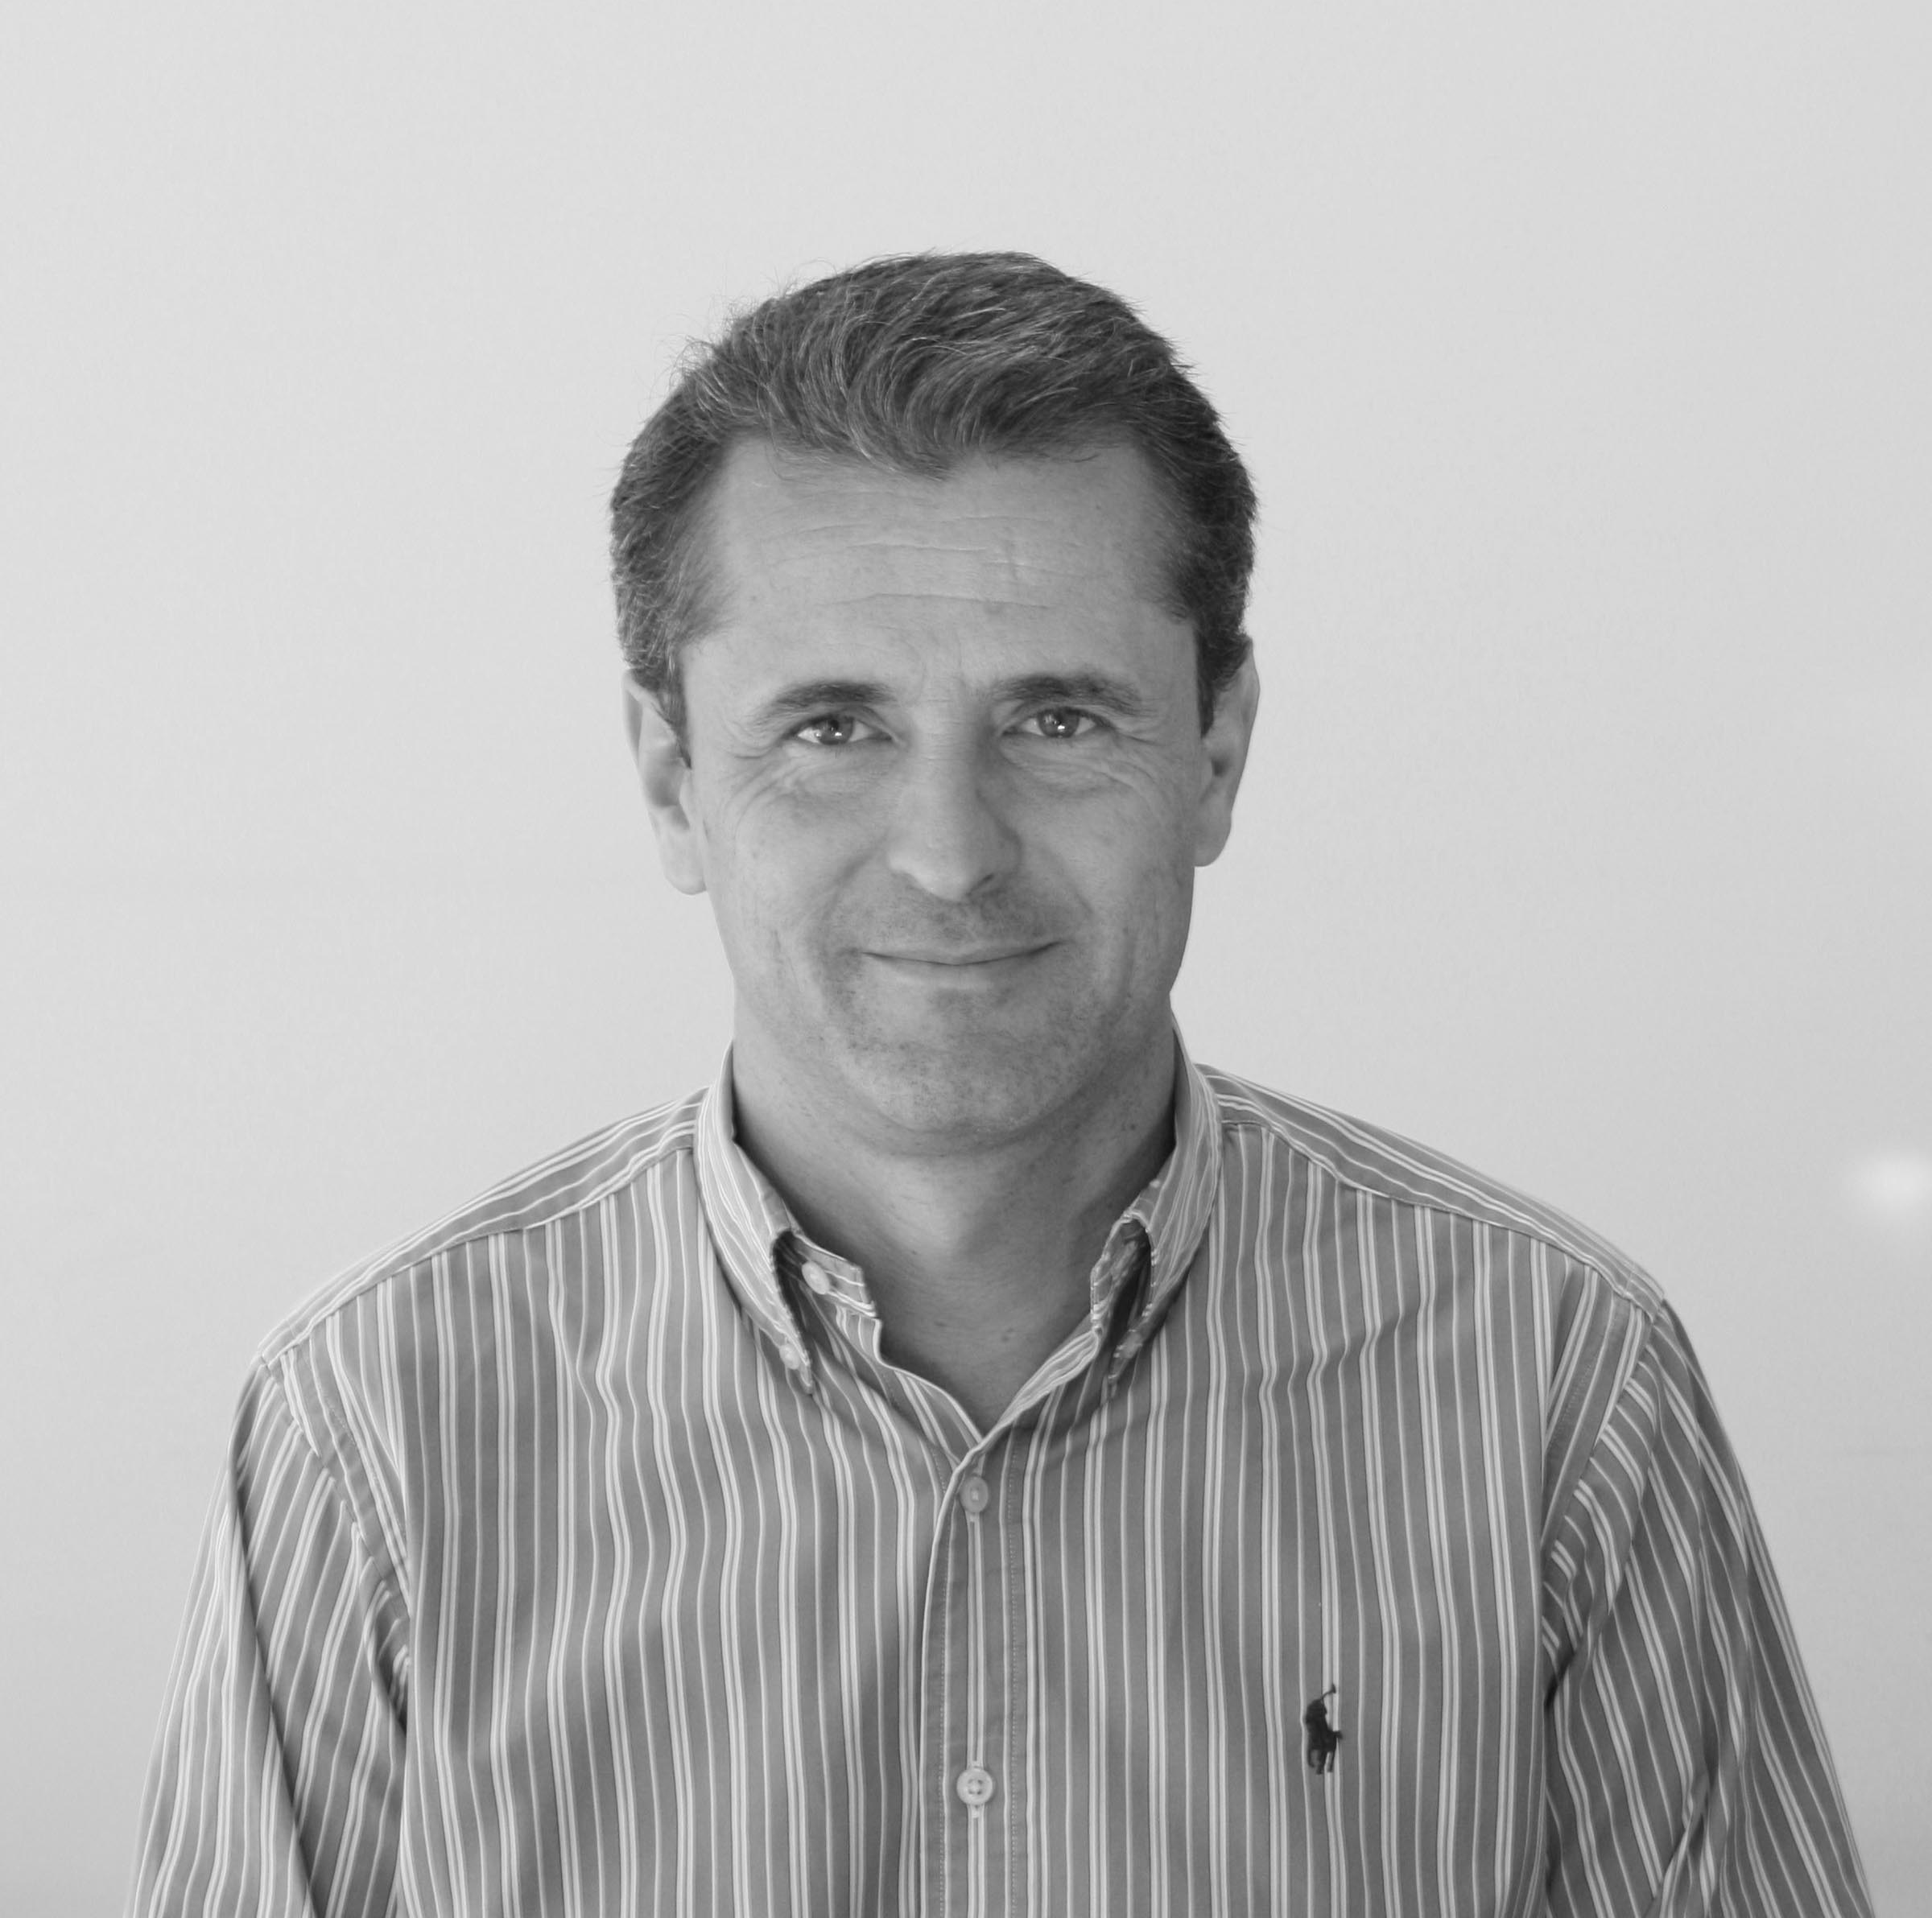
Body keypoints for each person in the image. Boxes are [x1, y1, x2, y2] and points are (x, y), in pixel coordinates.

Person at [129, 252, 1872, 1916]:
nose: (951, 856)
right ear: (672, 780)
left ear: (1216, 753)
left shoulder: (1553, 1387)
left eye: (1058, 720)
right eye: (834, 727)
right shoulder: (380, 1430)